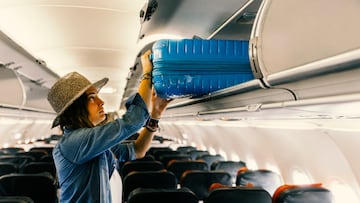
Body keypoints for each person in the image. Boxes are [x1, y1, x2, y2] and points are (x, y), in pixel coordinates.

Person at [47, 50, 172, 203]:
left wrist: (156, 114)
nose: (101, 102)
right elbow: (134, 119)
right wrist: (147, 74)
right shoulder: (74, 142)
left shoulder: (94, 144)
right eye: (92, 98)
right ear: (76, 108)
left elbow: (137, 150)